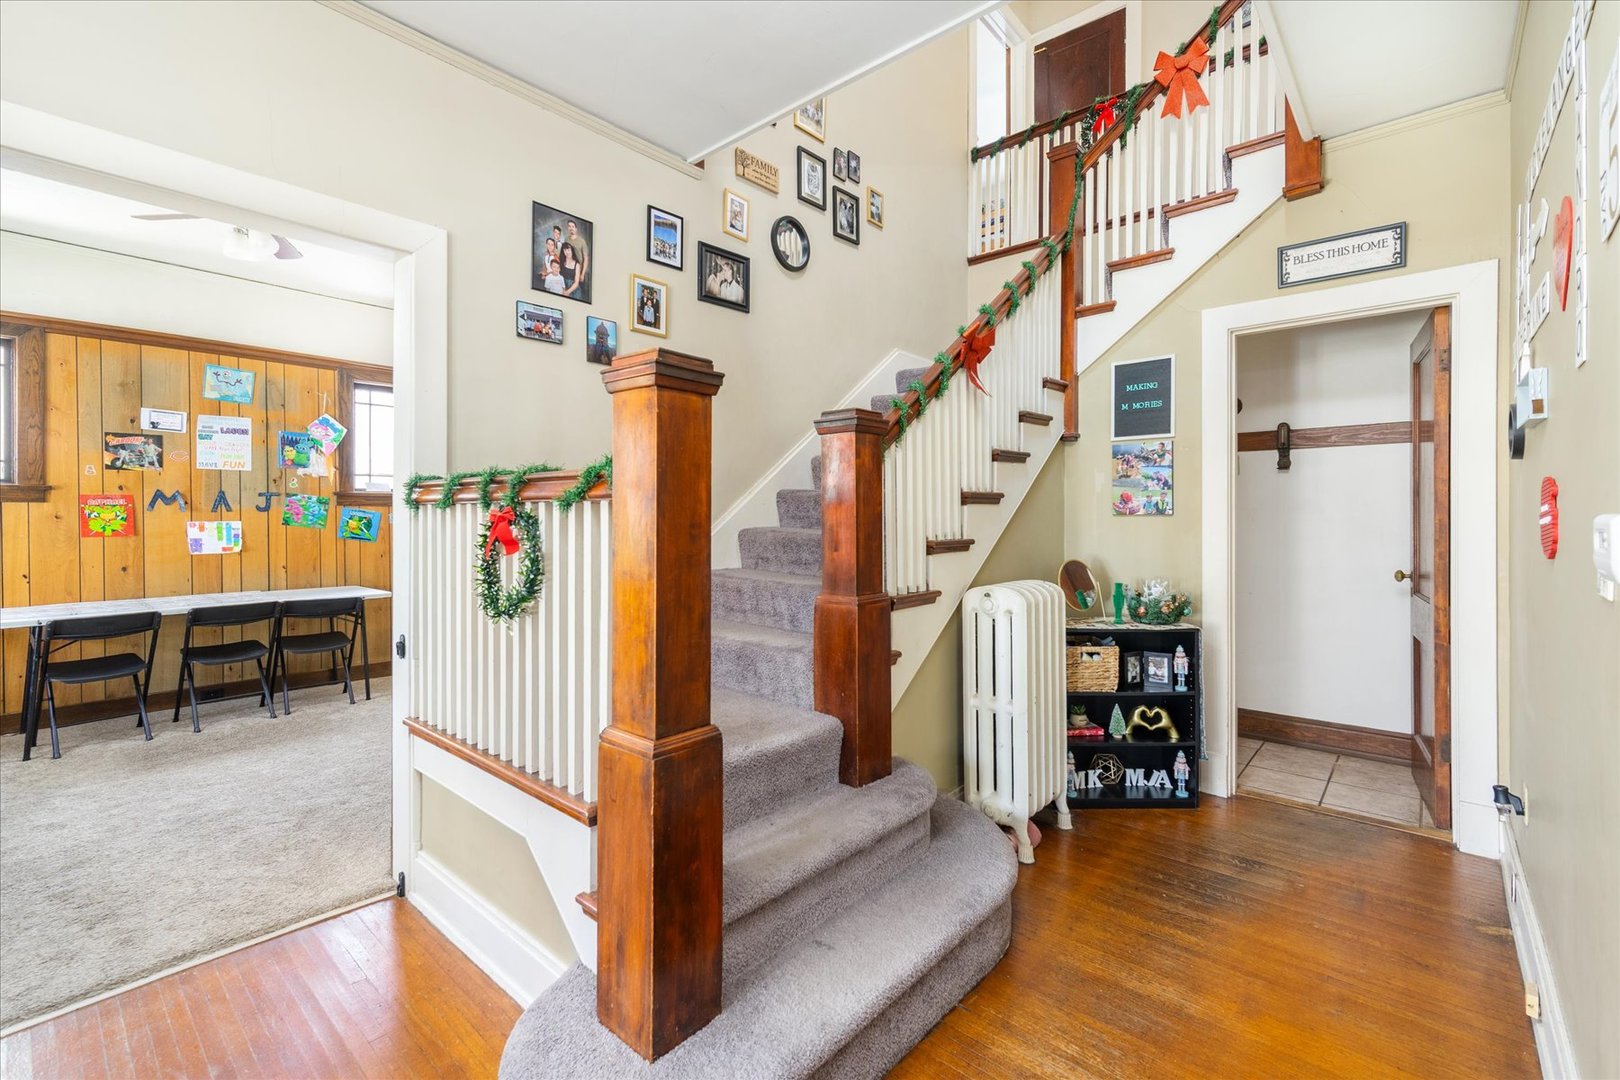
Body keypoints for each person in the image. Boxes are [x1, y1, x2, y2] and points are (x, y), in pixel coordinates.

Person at [565, 219, 590, 294]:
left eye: (573, 226)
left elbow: (586, 258)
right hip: (569, 271)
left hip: (579, 271)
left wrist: (582, 274)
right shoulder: (566, 239)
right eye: (569, 226)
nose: (571, 228)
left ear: (576, 229)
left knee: (580, 294)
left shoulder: (581, 241)